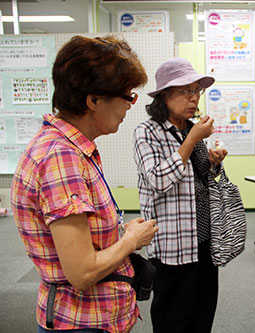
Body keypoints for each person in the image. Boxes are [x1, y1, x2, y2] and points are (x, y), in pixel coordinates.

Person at [11, 35, 159, 333]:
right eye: (128, 96)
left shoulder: (72, 147)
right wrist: (131, 240)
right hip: (82, 322)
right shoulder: (61, 158)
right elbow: (82, 271)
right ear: (93, 100)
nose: (131, 106)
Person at [133, 58, 228, 333]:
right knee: (173, 317)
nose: (193, 97)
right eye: (185, 90)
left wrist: (213, 160)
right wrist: (192, 140)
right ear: (164, 95)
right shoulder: (147, 132)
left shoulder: (191, 129)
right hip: (173, 243)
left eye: (196, 90)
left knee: (203, 311)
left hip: (204, 238)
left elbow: (199, 178)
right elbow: (158, 180)